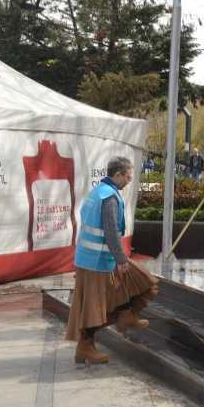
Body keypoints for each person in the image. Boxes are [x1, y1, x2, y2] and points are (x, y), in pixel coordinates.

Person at [65, 156, 158, 364]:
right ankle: (85, 346)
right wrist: (121, 259)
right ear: (117, 175)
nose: (129, 180)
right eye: (127, 176)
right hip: (98, 261)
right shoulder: (109, 197)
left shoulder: (97, 193)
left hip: (91, 259)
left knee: (138, 285)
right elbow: (111, 231)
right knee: (94, 307)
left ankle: (125, 315)